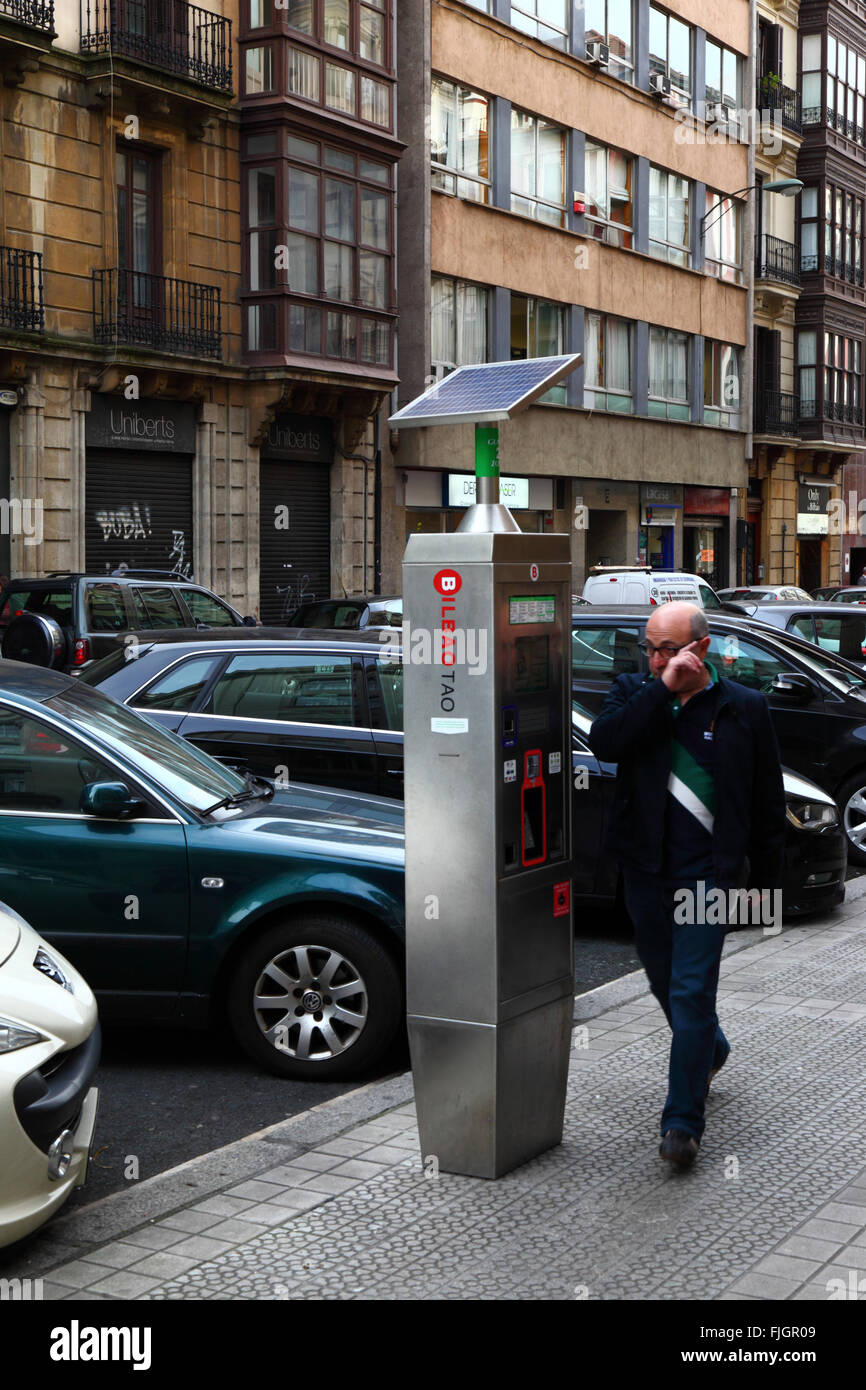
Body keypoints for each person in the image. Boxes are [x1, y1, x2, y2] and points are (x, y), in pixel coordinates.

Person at [588, 602, 786, 1170]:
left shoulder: (742, 707)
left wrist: (764, 891)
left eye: (668, 650)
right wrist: (662, 690)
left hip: (708, 877)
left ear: (700, 648)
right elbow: (607, 741)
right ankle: (712, 1048)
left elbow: (767, 805)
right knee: (663, 982)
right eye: (649, 647)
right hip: (646, 871)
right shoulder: (634, 691)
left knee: (691, 992)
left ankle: (682, 1124)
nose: (655, 659)